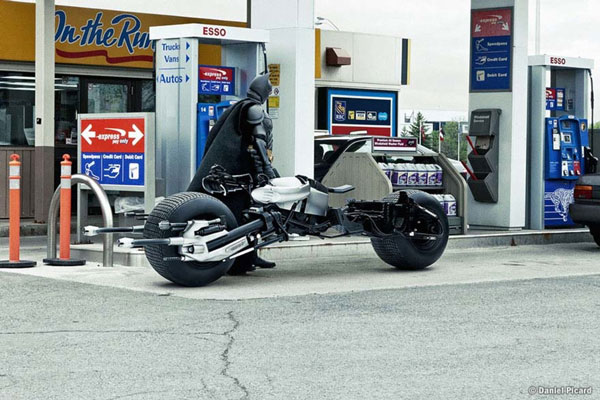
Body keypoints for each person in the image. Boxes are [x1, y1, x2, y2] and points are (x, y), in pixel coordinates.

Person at [187, 73, 277, 275]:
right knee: (247, 215)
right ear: (263, 91)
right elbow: (259, 141)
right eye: (269, 91)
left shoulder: (241, 107)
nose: (269, 94)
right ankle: (241, 260)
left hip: (248, 170)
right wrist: (267, 168)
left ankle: (250, 256)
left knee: (251, 214)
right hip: (248, 171)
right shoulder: (253, 109)